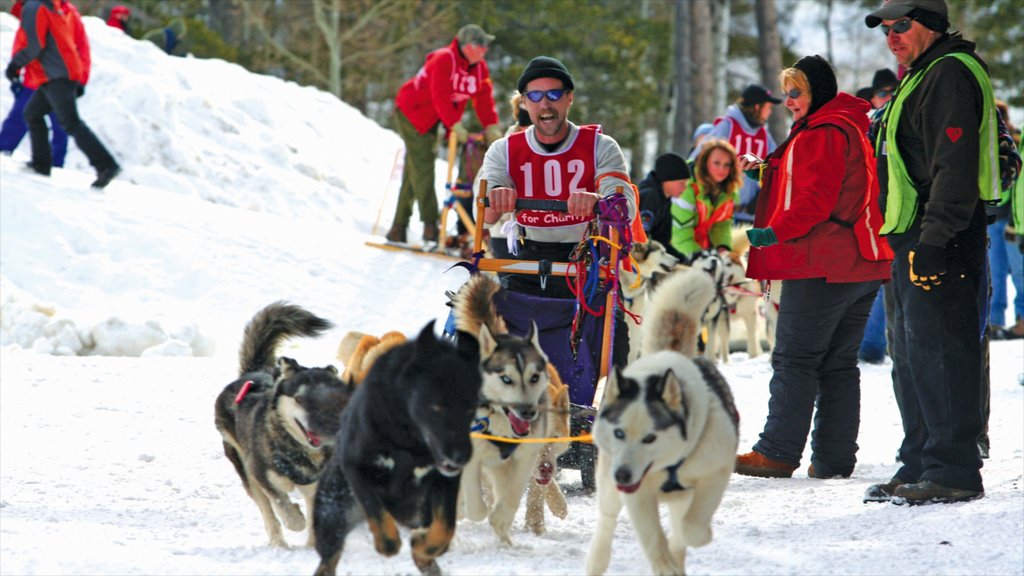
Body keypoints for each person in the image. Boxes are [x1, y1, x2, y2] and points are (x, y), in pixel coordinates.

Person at [863, 0, 997, 505]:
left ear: (933, 26)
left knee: (942, 354)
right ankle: (921, 459)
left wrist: (936, 241)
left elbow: (953, 167)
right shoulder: (920, 75)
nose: (892, 36)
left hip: (943, 236)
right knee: (914, 355)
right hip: (912, 237)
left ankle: (953, 470)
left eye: (902, 26)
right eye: (886, 30)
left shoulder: (948, 74)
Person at [733, 55, 893, 480]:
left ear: (817, 91)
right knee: (838, 363)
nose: (789, 101)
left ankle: (777, 451)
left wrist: (772, 233)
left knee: (795, 359)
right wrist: (767, 170)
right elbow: (824, 182)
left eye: (796, 92)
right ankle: (834, 457)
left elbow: (814, 202)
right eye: (786, 93)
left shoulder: (820, 132)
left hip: (823, 262)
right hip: (863, 261)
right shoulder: (849, 122)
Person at [479, 55, 634, 299]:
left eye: (553, 95)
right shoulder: (504, 149)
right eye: (535, 96)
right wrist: (497, 193)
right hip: (525, 261)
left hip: (586, 262)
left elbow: (625, 207)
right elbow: (485, 216)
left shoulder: (600, 146)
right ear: (524, 103)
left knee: (613, 333)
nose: (545, 104)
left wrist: (599, 200)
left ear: (569, 98)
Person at [386, 24, 503, 246]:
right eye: (481, 45)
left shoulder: (478, 68)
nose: (485, 50)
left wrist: (491, 125)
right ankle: (430, 226)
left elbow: (484, 96)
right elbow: (439, 94)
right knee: (424, 166)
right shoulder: (443, 59)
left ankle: (397, 228)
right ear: (467, 46)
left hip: (435, 117)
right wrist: (454, 125)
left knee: (416, 170)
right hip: (413, 112)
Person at [5, 0, 119, 188]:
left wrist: (15, 65)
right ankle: (41, 163)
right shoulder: (49, 5)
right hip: (58, 73)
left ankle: (106, 165)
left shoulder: (36, 6)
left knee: (70, 122)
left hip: (58, 74)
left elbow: (34, 45)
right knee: (32, 113)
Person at [0, 0, 79, 166]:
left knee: (59, 122)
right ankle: (6, 150)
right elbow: (25, 39)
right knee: (24, 115)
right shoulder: (32, 6)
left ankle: (54, 162)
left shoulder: (62, 11)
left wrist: (16, 65)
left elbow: (76, 47)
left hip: (53, 76)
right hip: (36, 73)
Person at [690, 84, 780, 224]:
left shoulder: (763, 135)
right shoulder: (728, 126)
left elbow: (778, 167)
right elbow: (697, 159)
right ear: (757, 107)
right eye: (768, 107)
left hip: (751, 218)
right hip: (721, 217)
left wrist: (762, 196)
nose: (770, 112)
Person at [670, 138, 742, 262]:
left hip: (699, 249)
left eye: (727, 165)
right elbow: (679, 234)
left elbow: (721, 225)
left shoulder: (728, 191)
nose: (722, 169)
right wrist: (701, 258)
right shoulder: (685, 186)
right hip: (671, 250)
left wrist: (722, 247)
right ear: (705, 162)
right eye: (717, 163)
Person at [987, 100, 1024, 340]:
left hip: (1012, 217)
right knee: (997, 271)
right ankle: (995, 318)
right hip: (1000, 215)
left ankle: (1019, 317)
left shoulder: (1013, 141)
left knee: (1017, 272)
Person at [637, 152, 692, 261]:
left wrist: (683, 260)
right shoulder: (651, 196)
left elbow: (662, 240)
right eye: (682, 183)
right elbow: (641, 241)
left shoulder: (665, 201)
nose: (684, 188)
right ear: (667, 180)